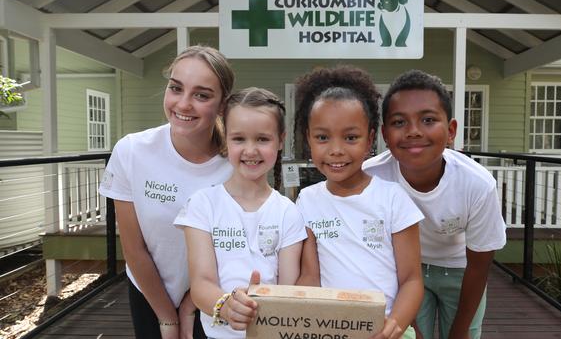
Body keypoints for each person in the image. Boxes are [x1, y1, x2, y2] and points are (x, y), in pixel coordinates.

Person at [98, 45, 235, 339]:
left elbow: (232, 250)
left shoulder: (236, 164)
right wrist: (166, 317)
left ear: (223, 105)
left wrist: (189, 306)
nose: (183, 104)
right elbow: (134, 248)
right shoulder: (132, 151)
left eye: (202, 95)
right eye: (176, 88)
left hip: (215, 294)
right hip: (149, 292)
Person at [363, 70, 507, 339]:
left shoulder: (476, 183)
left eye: (428, 120)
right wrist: (410, 325)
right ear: (384, 133)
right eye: (399, 122)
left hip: (461, 270)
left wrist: (460, 331)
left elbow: (480, 263)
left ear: (451, 130)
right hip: (403, 272)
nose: (414, 132)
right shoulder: (371, 176)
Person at [293, 66, 424, 339]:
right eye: (322, 137)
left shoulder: (392, 198)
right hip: (332, 331)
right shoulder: (307, 200)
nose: (336, 149)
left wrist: (394, 325)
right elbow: (310, 277)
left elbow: (411, 280)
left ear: (370, 140)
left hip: (388, 329)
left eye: (351, 137)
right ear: (308, 139)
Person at [175, 87, 307, 339]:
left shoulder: (288, 212)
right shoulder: (202, 204)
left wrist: (265, 305)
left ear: (280, 140)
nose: (250, 150)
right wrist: (226, 306)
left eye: (262, 139)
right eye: (239, 139)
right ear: (226, 139)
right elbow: (201, 285)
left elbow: (287, 290)